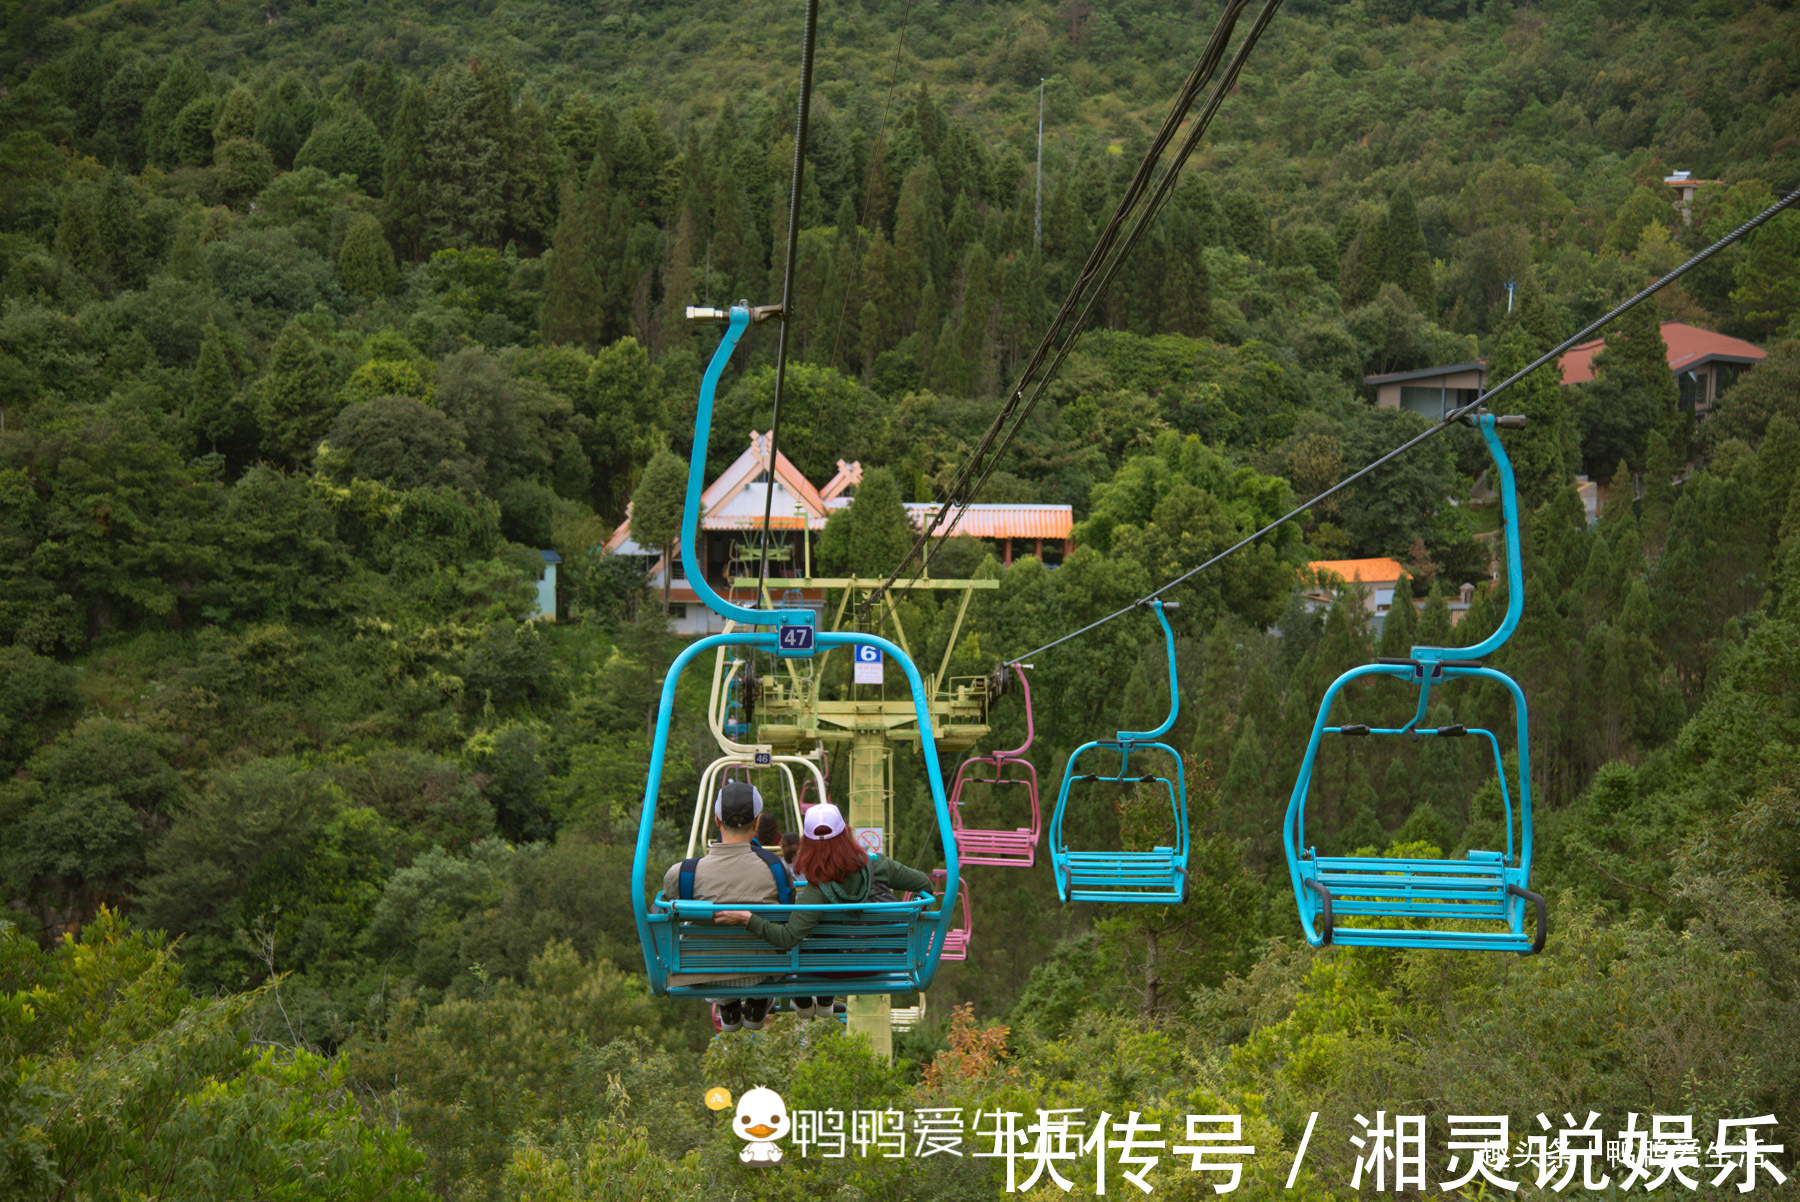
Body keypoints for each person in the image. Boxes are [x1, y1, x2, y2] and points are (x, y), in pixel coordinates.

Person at [714, 802, 933, 1019]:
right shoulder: (877, 866)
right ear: (846, 833)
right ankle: (823, 999)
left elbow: (787, 938)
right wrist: (912, 912)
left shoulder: (815, 892)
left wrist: (748, 919)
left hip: (828, 970)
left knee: (801, 942)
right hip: (881, 963)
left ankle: (806, 997)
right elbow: (924, 884)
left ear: (806, 845)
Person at [661, 781, 793, 1032]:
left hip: (705, 971)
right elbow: (788, 913)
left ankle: (725, 1001)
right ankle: (758, 1000)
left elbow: (667, 901)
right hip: (764, 971)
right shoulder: (776, 870)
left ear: (716, 820)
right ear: (757, 822)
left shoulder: (683, 873)